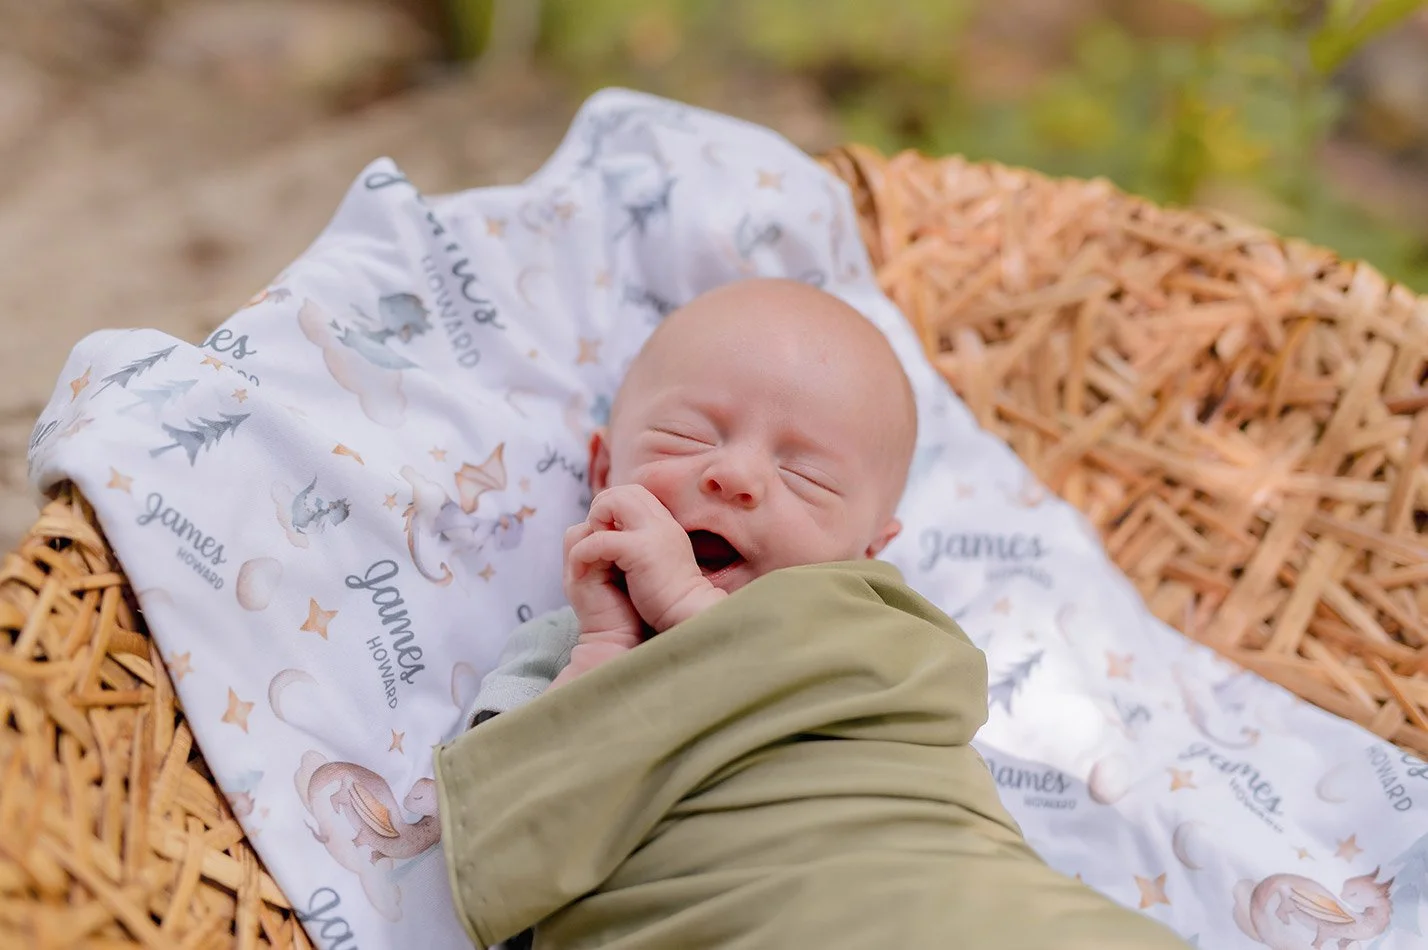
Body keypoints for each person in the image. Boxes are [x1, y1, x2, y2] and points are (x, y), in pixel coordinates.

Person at [433, 277, 1190, 950]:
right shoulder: (569, 642)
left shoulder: (879, 633)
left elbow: (929, 706)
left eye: (805, 475)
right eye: (690, 435)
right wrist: (605, 647)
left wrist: (698, 614)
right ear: (605, 470)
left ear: (868, 553)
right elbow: (501, 843)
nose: (734, 475)